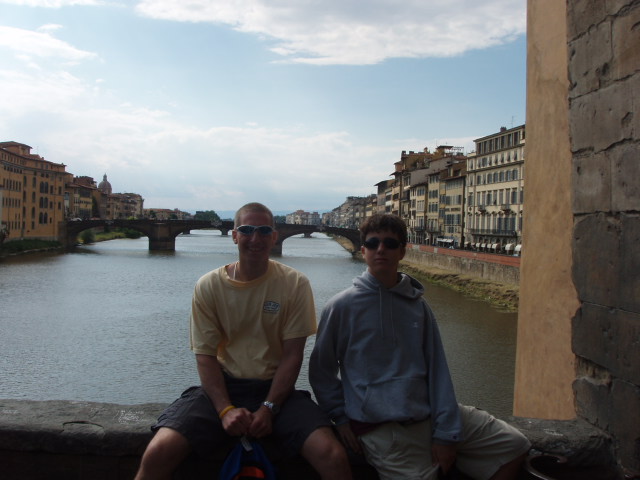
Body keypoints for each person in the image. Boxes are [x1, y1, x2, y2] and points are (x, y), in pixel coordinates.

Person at [135, 202, 351, 480]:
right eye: (247, 230)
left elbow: (292, 356)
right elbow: (205, 356)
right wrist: (224, 409)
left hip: (277, 392)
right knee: (158, 451)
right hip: (222, 387)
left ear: (274, 236)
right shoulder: (209, 285)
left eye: (263, 231)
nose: (255, 238)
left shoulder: (294, 283)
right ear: (234, 235)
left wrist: (269, 407)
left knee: (332, 455)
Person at [309, 213, 531, 480]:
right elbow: (321, 370)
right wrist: (340, 418)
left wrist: (446, 432)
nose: (381, 249)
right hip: (379, 427)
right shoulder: (341, 306)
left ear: (402, 251)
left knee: (514, 445)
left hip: (425, 414)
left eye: (390, 244)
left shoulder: (418, 305)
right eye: (373, 243)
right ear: (363, 248)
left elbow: (438, 369)